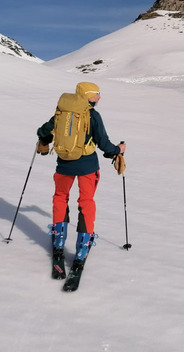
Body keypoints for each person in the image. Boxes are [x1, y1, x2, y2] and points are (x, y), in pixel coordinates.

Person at [36, 81, 125, 279]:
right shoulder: (92, 115)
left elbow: (43, 132)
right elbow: (104, 145)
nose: (99, 97)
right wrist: (118, 150)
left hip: (64, 164)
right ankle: (83, 247)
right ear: (88, 95)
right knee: (86, 202)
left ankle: (58, 242)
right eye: (97, 94)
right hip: (88, 166)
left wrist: (44, 141)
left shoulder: (62, 112)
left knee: (60, 197)